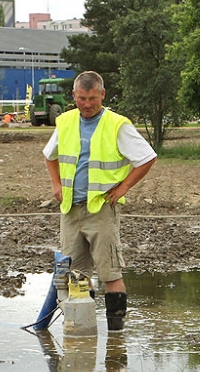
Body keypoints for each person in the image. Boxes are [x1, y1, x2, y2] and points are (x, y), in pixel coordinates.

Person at [43, 71, 157, 331]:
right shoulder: (66, 121)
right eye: (82, 98)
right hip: (71, 211)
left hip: (102, 210)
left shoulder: (117, 124)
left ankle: (116, 337)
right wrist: (56, 184)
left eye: (92, 98)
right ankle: (83, 332)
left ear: (102, 95)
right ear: (74, 96)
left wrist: (123, 187)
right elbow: (50, 156)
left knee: (110, 274)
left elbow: (147, 157)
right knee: (76, 275)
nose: (87, 104)